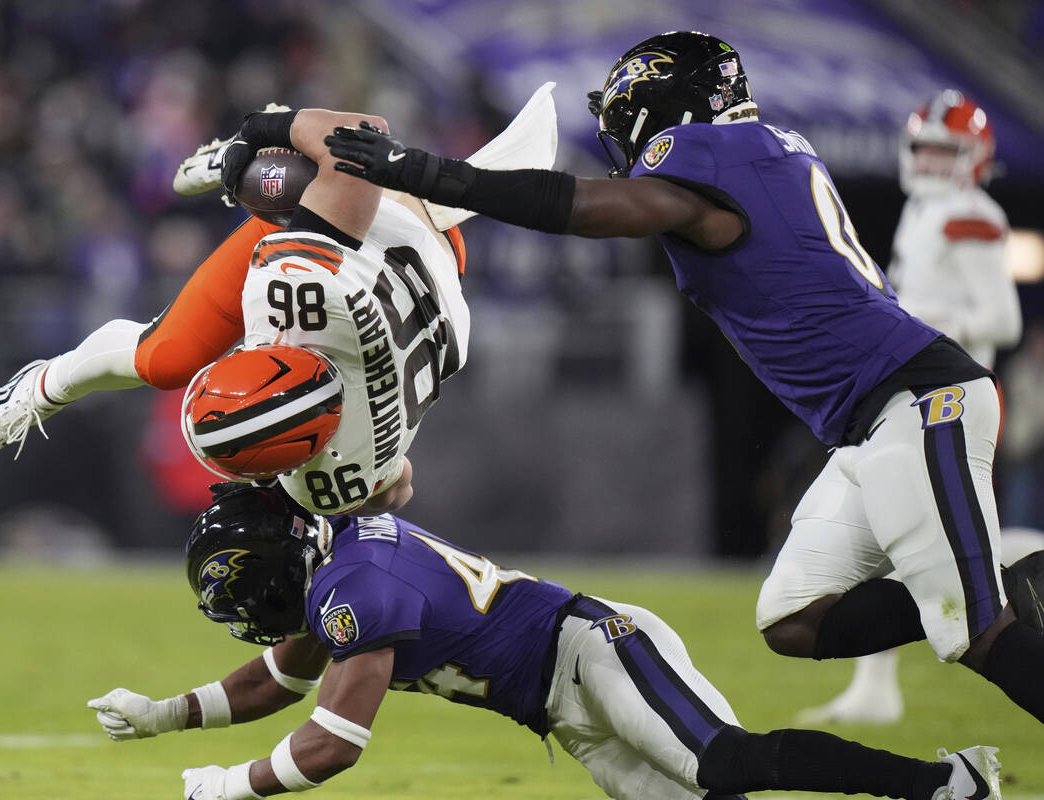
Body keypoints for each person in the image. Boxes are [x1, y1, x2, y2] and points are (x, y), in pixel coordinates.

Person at [320, 30, 1044, 722]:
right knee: (796, 617)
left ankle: (991, 587)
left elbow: (589, 209)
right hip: (872, 418)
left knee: (974, 631)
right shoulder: (767, 150)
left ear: (667, 112)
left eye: (630, 119)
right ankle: (1007, 574)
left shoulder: (707, 153)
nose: (627, 141)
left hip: (919, 399)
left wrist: (428, 173)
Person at [86, 483, 1000, 800]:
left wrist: (233, 785)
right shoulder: (337, 575)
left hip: (592, 649)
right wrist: (168, 715)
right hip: (558, 705)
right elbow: (282, 675)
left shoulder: (355, 589)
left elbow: (331, 747)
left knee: (726, 763)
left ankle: (946, 783)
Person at [0, 86, 558, 515]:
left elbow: (397, 487)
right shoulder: (299, 286)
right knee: (166, 358)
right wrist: (260, 131)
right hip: (368, 230)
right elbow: (363, 139)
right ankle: (248, 158)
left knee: (171, 363)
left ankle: (260, 163)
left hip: (425, 274)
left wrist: (365, 486)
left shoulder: (346, 470)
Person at [799, 90, 1024, 725]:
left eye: (944, 151)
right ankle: (875, 690)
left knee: (960, 547)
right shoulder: (925, 212)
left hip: (953, 401)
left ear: (974, 158)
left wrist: (930, 322)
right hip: (919, 397)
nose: (929, 161)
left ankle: (878, 690)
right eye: (922, 147)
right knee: (900, 538)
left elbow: (1003, 319)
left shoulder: (969, 214)